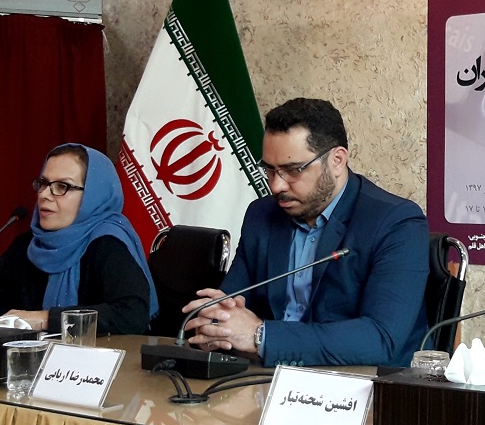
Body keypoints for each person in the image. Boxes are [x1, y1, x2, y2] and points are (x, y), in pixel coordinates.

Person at [182, 98, 429, 367]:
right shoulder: (262, 215)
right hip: (263, 378)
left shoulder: (396, 223)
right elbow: (229, 305)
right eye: (269, 170)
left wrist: (261, 335)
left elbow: (381, 339)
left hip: (357, 383)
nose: (276, 186)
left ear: (337, 160)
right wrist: (214, 326)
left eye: (292, 170)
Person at [0, 143, 157, 334]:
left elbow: (132, 314)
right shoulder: (28, 245)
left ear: (93, 195)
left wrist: (47, 319)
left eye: (62, 186)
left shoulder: (108, 243)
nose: (44, 195)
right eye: (43, 183)